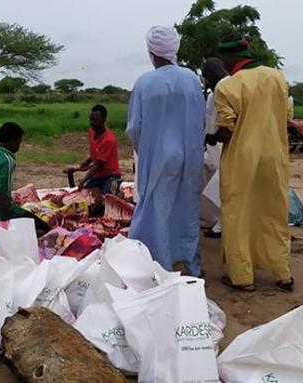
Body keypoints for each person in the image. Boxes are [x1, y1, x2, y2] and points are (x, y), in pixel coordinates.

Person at [208, 33, 293, 292]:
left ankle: (241, 276)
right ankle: (282, 272)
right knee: (273, 213)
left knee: (237, 215)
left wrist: (209, 137)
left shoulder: (228, 86)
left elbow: (226, 130)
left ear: (228, 57)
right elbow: (287, 118)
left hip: (242, 162)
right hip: (275, 158)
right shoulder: (277, 77)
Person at [126, 26, 205, 277]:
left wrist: (145, 150)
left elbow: (134, 128)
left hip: (158, 157)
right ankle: (191, 265)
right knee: (186, 208)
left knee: (155, 210)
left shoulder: (144, 83)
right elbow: (200, 119)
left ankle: (161, 264)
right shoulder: (192, 79)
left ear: (151, 52)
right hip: (190, 154)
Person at [0, 122, 50, 233]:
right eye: (19, 142)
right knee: (43, 227)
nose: (18, 145)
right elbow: (1, 192)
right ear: (13, 141)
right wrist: (9, 215)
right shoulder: (8, 160)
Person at [65, 104, 122, 194]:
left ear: (103, 120)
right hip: (97, 176)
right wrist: (82, 165)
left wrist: (83, 181)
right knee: (85, 196)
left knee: (108, 197)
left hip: (111, 176)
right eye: (90, 119)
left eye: (95, 120)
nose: (91, 123)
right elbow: (95, 154)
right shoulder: (92, 132)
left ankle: (118, 193)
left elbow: (98, 165)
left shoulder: (109, 139)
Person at [201, 57, 229, 238]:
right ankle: (214, 218)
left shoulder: (226, 88)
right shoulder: (214, 93)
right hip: (213, 144)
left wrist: (211, 136)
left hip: (223, 141)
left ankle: (221, 224)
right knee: (212, 180)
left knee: (223, 184)